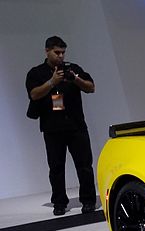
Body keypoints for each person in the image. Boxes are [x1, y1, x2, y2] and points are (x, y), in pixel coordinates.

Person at [26, 36, 97, 216]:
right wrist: (52, 82)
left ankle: (88, 201)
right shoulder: (36, 73)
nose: (61, 56)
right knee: (56, 168)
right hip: (52, 128)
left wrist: (75, 79)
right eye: (57, 52)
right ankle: (59, 203)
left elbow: (91, 87)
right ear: (47, 51)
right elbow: (34, 94)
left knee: (84, 165)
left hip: (76, 126)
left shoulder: (73, 69)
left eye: (63, 52)